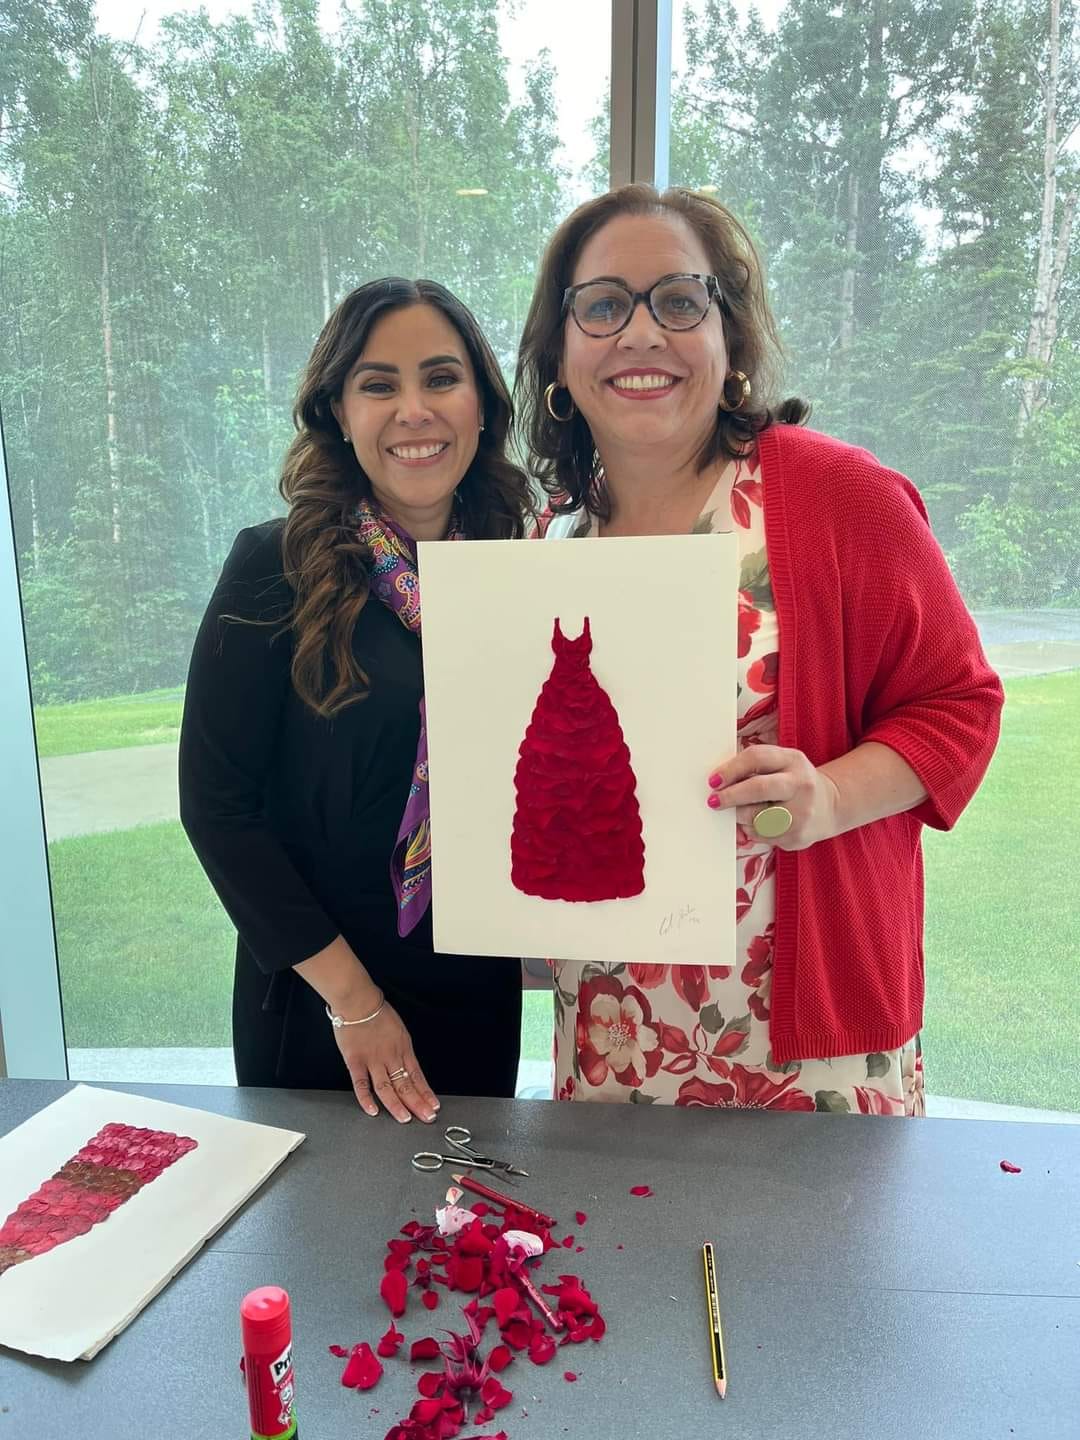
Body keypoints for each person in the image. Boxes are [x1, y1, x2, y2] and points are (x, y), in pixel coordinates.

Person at [515, 186, 1004, 1114]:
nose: (641, 334)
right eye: (603, 305)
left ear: (728, 336)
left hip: (805, 1032)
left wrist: (833, 795)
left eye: (679, 300)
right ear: (559, 355)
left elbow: (960, 704)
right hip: (614, 1027)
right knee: (617, 1215)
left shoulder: (835, 497)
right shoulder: (555, 541)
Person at [180, 278, 532, 1120]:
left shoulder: (519, 571)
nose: (414, 410)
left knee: (472, 1200)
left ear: (482, 404)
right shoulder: (273, 568)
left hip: (476, 989)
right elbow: (217, 808)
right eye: (379, 385)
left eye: (441, 378)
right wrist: (355, 1003)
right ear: (339, 411)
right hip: (321, 1001)